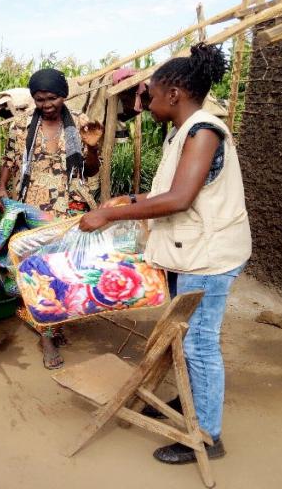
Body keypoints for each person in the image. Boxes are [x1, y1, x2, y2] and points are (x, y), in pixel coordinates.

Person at [79, 43, 252, 464]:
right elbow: (168, 192)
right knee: (184, 339)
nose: (147, 104)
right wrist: (131, 198)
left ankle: (208, 435)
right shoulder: (184, 131)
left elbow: (178, 199)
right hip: (190, 252)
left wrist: (108, 216)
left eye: (151, 95)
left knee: (199, 345)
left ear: (174, 93)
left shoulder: (204, 130)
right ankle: (194, 405)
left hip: (208, 259)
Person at [0, 68, 103, 370]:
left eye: (51, 98)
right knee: (37, 272)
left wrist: (91, 146)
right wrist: (2, 186)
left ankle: (55, 323)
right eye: (40, 99)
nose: (46, 104)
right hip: (32, 209)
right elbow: (10, 160)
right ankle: (47, 336)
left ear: (63, 95)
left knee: (64, 271)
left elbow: (91, 170)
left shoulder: (80, 124)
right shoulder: (23, 124)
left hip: (68, 209)